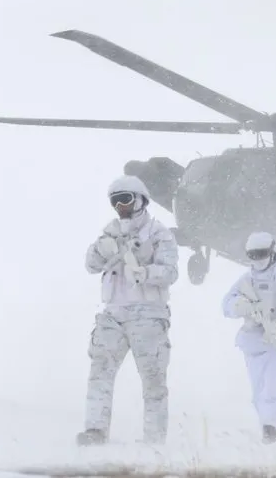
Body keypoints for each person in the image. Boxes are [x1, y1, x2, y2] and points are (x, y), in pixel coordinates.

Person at [76, 175, 179, 446]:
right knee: (100, 371)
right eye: (115, 200)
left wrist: (145, 272)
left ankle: (154, 440)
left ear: (141, 200)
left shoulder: (158, 233)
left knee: (153, 381)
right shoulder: (111, 230)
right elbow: (90, 264)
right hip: (113, 314)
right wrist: (102, 248)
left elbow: (170, 272)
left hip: (148, 314)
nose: (120, 205)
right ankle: (95, 431)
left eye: (126, 198)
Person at [222, 232, 276, 444]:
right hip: (252, 342)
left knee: (272, 388)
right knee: (258, 392)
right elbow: (226, 306)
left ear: (271, 252)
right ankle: (268, 431)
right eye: (252, 255)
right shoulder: (246, 280)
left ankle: (274, 428)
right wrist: (245, 308)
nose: (257, 260)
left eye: (261, 254)